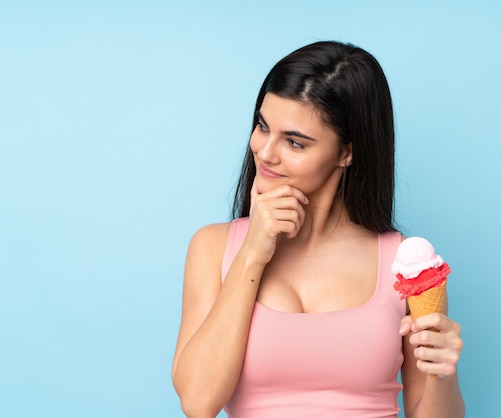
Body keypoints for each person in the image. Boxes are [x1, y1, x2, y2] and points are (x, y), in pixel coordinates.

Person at [172, 41, 464, 418]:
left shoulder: (404, 263)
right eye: (263, 126)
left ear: (347, 152)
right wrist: (251, 255)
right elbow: (197, 403)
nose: (265, 152)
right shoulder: (214, 248)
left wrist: (443, 371)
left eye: (294, 142)